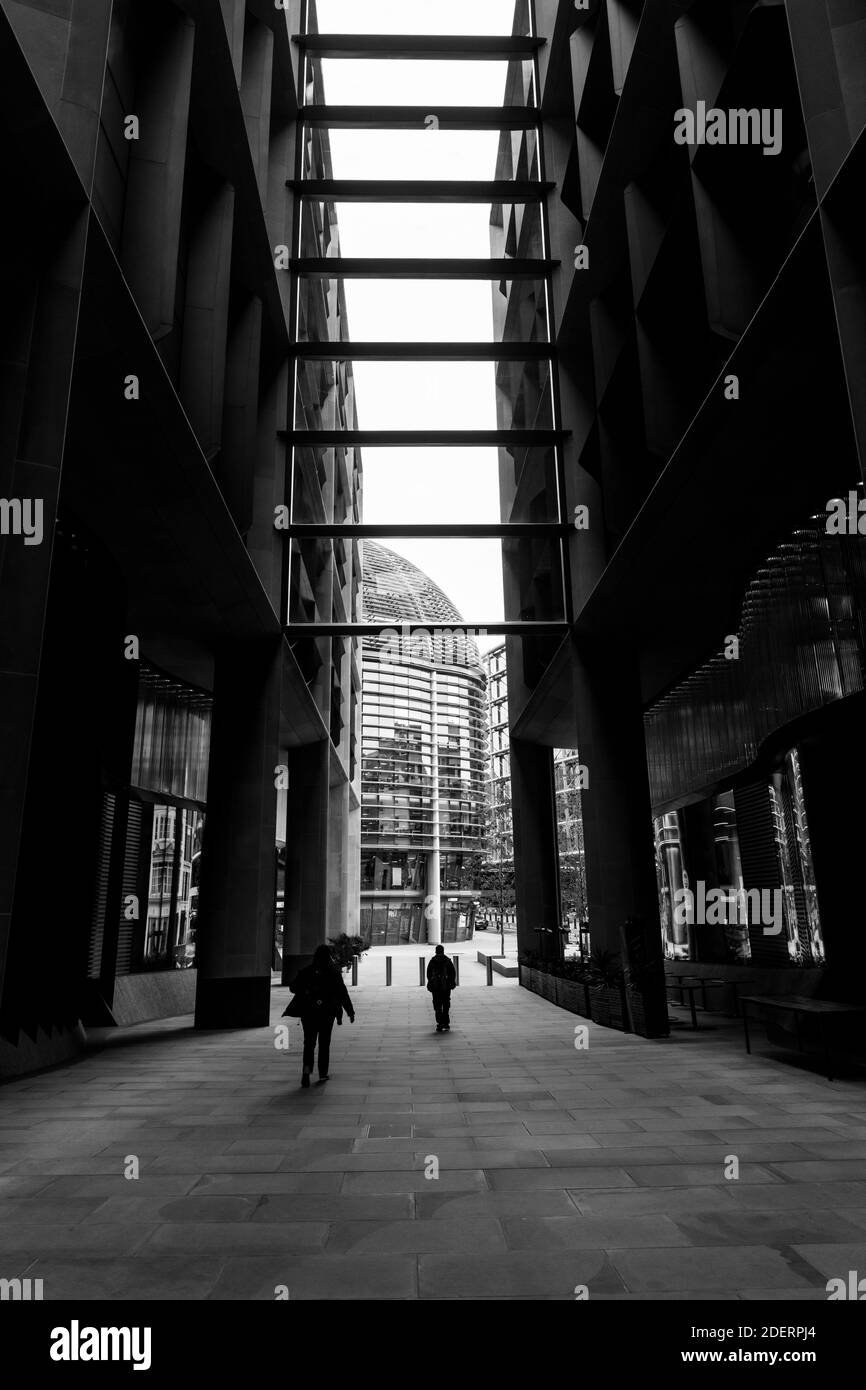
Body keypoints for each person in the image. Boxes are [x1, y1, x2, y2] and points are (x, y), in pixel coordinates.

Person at [289, 944, 355, 1088]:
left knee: (309, 1043)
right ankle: (323, 1074)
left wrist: (306, 989)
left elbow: (293, 988)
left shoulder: (306, 972)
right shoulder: (334, 973)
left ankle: (306, 1072)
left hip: (309, 1013)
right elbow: (342, 993)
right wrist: (350, 1011)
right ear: (329, 957)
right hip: (327, 1013)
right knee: (324, 1044)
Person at [426, 944, 457, 1032]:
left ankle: (439, 1023)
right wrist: (451, 982)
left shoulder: (432, 961)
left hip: (436, 987)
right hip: (446, 987)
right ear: (443, 951)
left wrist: (431, 982)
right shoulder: (447, 961)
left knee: (437, 1004)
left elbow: (428, 974)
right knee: (446, 1003)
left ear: (436, 951)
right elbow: (452, 973)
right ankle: (446, 1023)